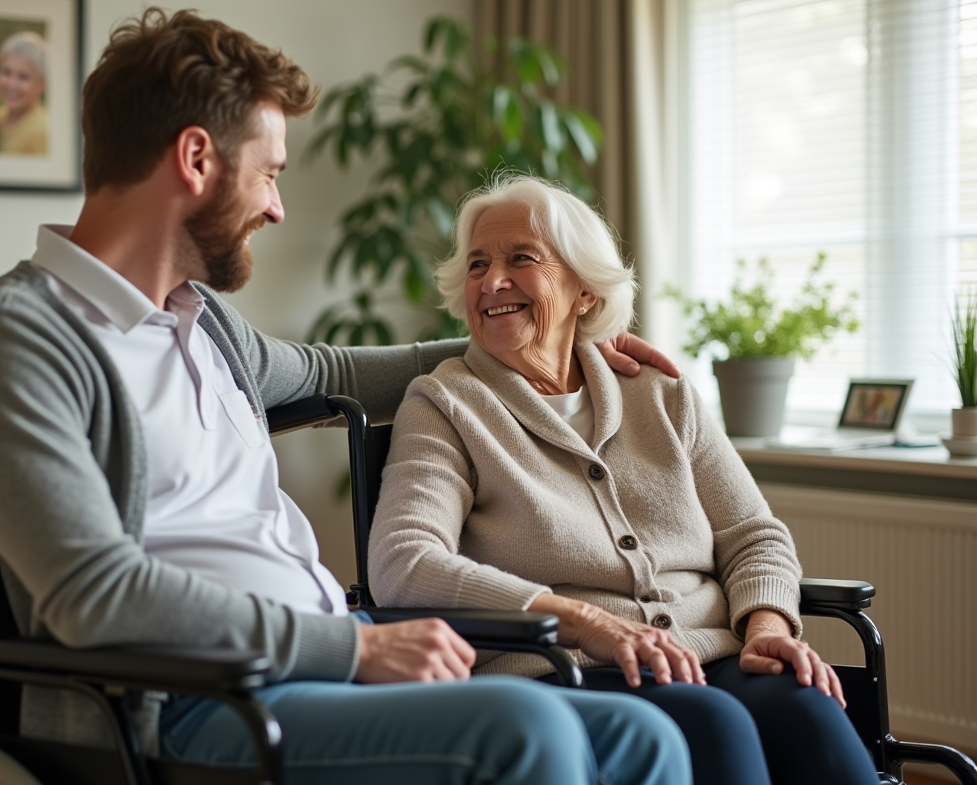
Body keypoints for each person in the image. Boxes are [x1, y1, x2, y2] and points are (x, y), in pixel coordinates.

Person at [0, 8, 692, 785]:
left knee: (641, 736)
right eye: (270, 172)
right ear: (195, 159)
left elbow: (338, 373)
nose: (277, 207)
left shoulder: (201, 319)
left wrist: (535, 334)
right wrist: (356, 648)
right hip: (171, 706)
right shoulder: (10, 343)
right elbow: (97, 596)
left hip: (310, 666)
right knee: (523, 729)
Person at [368, 175, 880, 785]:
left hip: (712, 650)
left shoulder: (659, 393)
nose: (491, 281)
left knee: (809, 707)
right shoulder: (447, 403)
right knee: (714, 722)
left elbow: (753, 534)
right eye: (478, 265)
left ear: (585, 291)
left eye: (520, 259)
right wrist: (583, 621)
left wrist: (766, 627)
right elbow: (404, 562)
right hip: (562, 667)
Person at [0, 31, 49, 155]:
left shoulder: (43, 131)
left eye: (23, 77)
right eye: (6, 72)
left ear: (42, 85)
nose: (12, 84)